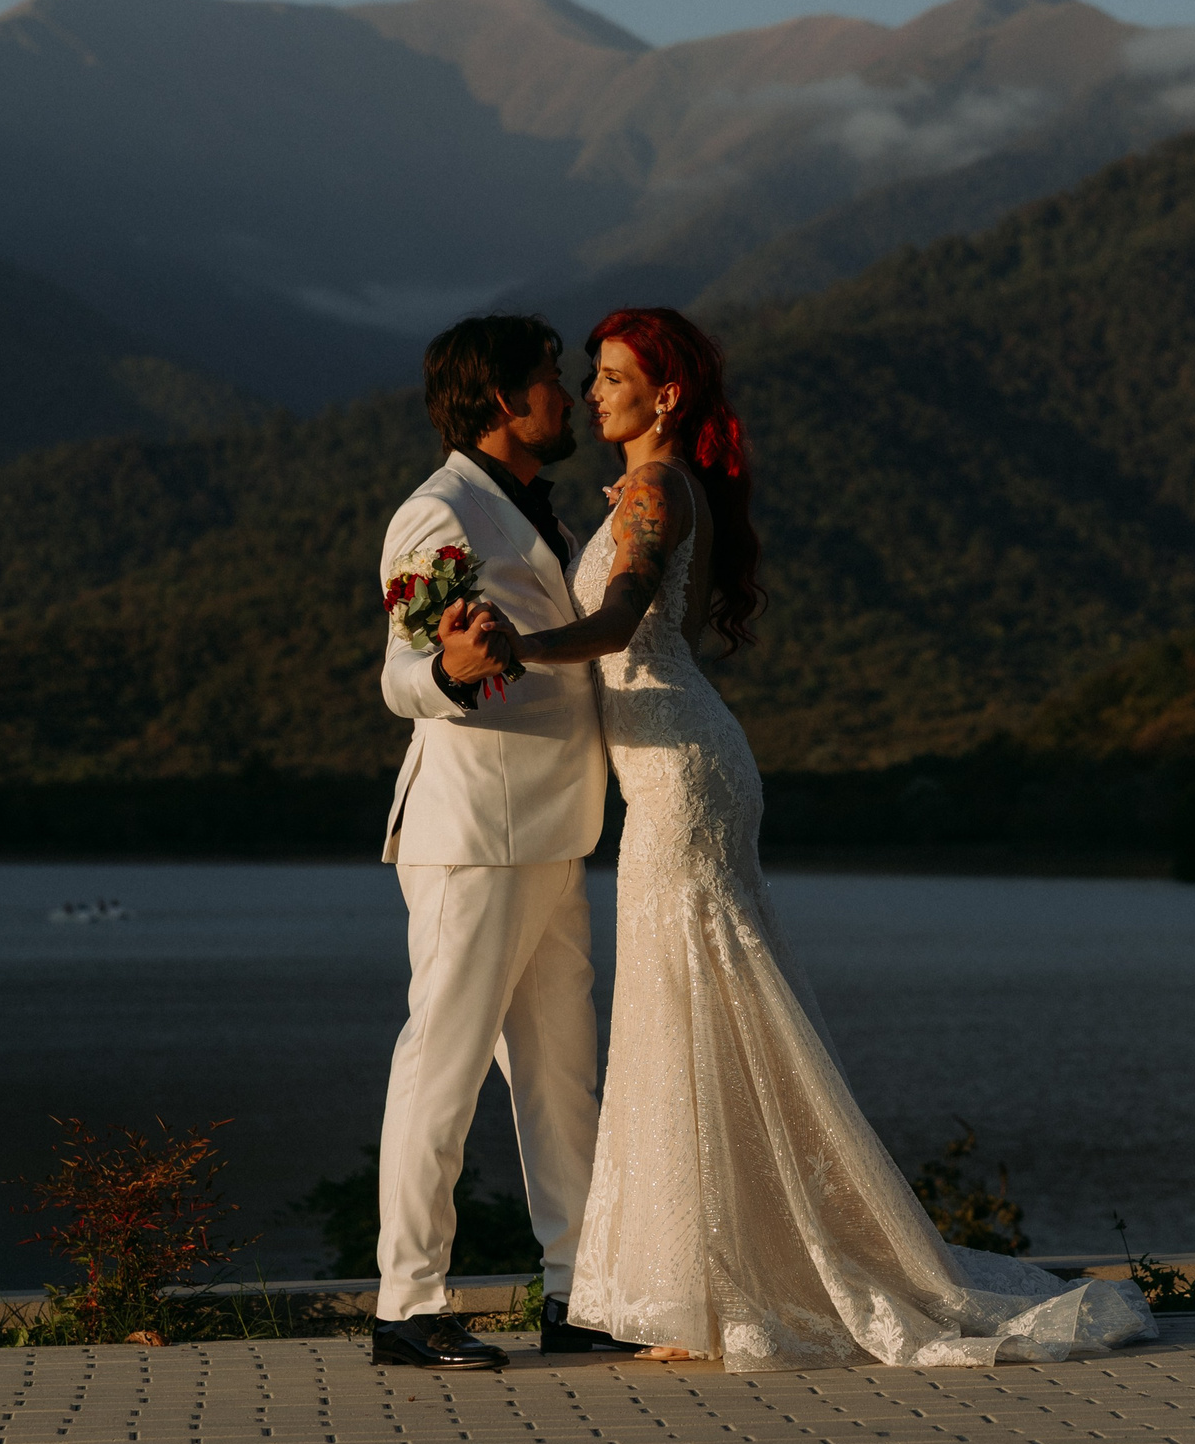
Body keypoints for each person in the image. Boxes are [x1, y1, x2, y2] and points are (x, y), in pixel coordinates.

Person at [482, 307, 1154, 1373]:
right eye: (594, 375)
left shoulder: (656, 490)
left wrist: (504, 649)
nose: (594, 390)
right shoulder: (641, 489)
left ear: (664, 397)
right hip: (659, 767)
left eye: (613, 376)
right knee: (683, 1007)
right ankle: (703, 1281)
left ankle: (731, 1284)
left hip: (681, 772)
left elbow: (615, 629)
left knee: (703, 1001)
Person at [367, 313, 644, 1370]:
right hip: (473, 833)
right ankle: (406, 1307)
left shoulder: (528, 509)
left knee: (559, 1075)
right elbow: (402, 678)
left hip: (554, 832)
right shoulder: (434, 516)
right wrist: (447, 669)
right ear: (499, 401)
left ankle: (578, 1291)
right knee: (439, 1069)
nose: (567, 397)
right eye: (550, 382)